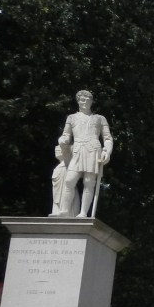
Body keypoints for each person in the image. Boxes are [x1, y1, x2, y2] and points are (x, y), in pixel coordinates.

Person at [55, 90, 113, 218]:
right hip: (77, 150)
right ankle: (64, 210)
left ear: (91, 102)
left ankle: (83, 213)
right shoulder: (71, 118)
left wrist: (106, 151)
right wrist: (62, 140)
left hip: (93, 151)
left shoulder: (100, 118)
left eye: (87, 100)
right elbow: (66, 135)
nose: (85, 102)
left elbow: (107, 138)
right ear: (78, 101)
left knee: (89, 182)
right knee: (69, 181)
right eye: (82, 99)